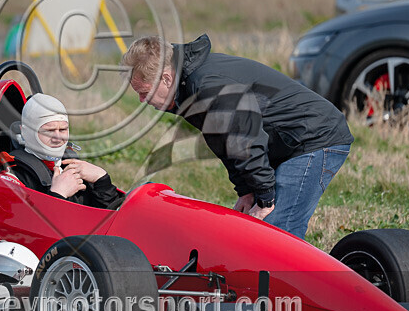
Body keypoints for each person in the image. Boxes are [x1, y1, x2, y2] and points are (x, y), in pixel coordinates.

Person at [121, 34, 353, 239]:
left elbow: (245, 139)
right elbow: (223, 141)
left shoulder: (207, 85)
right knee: (250, 231)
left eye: (144, 92)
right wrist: (246, 191)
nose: (142, 100)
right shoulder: (185, 87)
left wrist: (265, 198)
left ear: (165, 78)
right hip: (285, 142)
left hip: (314, 137)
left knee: (276, 234)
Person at [0, 93, 124, 209]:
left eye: (63, 130)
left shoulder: (71, 164)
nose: (58, 138)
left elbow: (109, 217)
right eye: (49, 131)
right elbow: (17, 222)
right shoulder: (14, 175)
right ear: (26, 131)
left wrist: (102, 180)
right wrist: (58, 195)